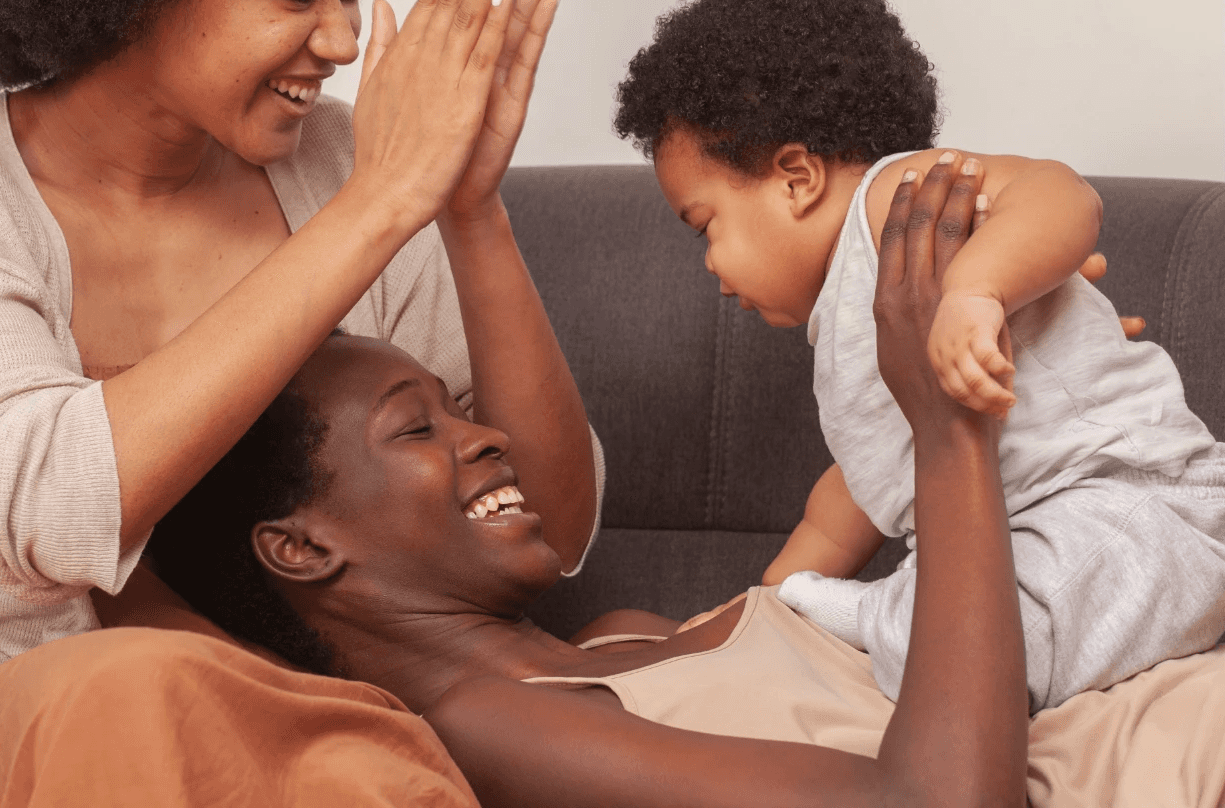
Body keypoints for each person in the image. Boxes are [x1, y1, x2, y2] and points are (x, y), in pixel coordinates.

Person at [0, 0, 603, 804]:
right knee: (148, 685)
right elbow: (43, 512)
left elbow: (549, 526)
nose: (344, 40)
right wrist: (379, 208)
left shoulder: (345, 165)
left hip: (321, 728)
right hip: (29, 721)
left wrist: (469, 211)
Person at [142, 158, 1224, 808]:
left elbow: (858, 556)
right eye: (418, 426)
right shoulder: (489, 724)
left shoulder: (617, 637)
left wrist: (1026, 375)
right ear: (301, 545)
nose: (488, 441)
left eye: (461, 409)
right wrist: (953, 437)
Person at [610, 0, 1225, 711]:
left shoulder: (896, 204)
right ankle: (850, 617)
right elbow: (849, 501)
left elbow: (1061, 195)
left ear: (797, 178)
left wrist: (977, 290)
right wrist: (764, 608)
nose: (710, 265)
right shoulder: (846, 330)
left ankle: (869, 620)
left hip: (1131, 506)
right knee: (934, 632)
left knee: (954, 656)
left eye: (706, 227)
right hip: (1033, 543)